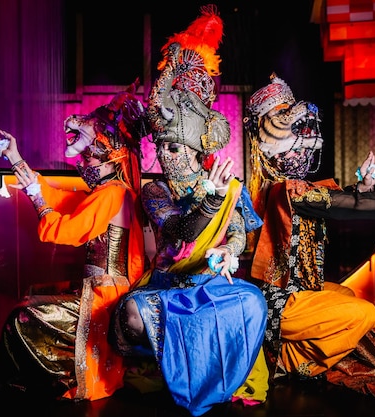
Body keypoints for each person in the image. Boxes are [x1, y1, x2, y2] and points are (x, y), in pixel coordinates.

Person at [109, 6, 268, 416]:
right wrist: (209, 200)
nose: (165, 155)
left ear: (198, 148)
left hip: (208, 287)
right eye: (160, 147)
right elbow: (179, 228)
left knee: (252, 303)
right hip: (168, 287)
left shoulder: (226, 184)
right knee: (130, 315)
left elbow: (238, 230)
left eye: (174, 147)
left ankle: (210, 371)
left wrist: (231, 250)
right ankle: (182, 368)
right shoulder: (156, 190)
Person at [241, 72, 375, 399]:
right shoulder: (288, 188)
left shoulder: (298, 188)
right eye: (292, 148)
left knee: (347, 296)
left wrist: (365, 188)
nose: (300, 154)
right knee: (366, 312)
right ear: (277, 151)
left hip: (297, 293)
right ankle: (297, 364)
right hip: (282, 303)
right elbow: (342, 205)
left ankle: (293, 355)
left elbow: (339, 199)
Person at [0, 79, 150, 401]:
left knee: (22, 315)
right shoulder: (109, 193)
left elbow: (66, 230)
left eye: (88, 160)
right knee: (33, 295)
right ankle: (47, 378)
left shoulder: (113, 194)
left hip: (103, 297)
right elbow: (62, 199)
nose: (82, 165)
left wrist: (37, 199)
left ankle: (55, 379)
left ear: (111, 161)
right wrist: (15, 158)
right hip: (98, 290)